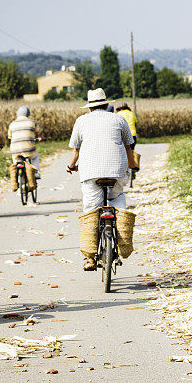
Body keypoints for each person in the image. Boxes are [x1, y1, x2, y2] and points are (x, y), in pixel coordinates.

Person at [67, 88, 136, 270]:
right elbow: (129, 146)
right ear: (106, 104)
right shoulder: (118, 118)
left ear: (89, 107)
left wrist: (71, 166)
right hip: (117, 172)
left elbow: (76, 150)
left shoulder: (81, 121)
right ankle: (121, 239)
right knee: (117, 198)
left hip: (91, 173)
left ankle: (89, 258)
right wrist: (132, 165)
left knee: (91, 210)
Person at [8, 105, 43, 174]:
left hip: (15, 150)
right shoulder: (32, 122)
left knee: (15, 160)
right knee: (35, 157)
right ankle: (35, 172)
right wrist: (40, 138)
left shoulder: (12, 124)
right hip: (29, 149)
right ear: (28, 114)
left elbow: (10, 137)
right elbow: (40, 132)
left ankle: (16, 174)